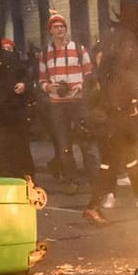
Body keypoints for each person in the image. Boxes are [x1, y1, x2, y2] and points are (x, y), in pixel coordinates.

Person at [81, 29, 138, 224]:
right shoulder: (112, 70)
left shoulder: (112, 68)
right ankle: (92, 206)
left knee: (132, 160)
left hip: (120, 121)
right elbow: (115, 96)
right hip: (114, 123)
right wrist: (129, 105)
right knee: (108, 165)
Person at [38, 14, 92, 182]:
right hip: (57, 105)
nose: (60, 29)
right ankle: (71, 179)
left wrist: (80, 86)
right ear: (50, 31)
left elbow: (89, 72)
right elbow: (41, 79)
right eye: (56, 27)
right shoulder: (45, 53)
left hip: (78, 102)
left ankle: (94, 178)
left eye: (62, 26)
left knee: (86, 141)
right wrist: (48, 87)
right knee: (64, 145)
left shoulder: (78, 48)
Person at [0, 32, 35, 177]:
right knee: (1, 152)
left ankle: (28, 182)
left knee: (21, 149)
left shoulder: (11, 57)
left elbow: (26, 76)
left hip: (15, 110)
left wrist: (23, 85)